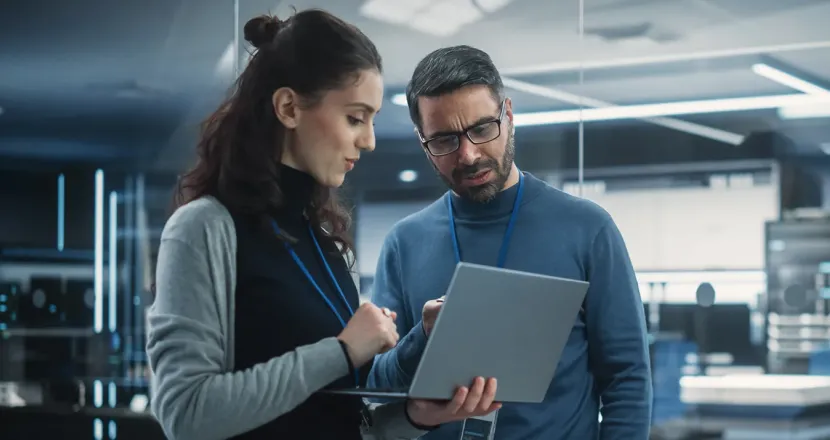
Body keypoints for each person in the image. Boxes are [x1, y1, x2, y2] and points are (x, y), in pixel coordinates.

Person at [146, 13, 500, 440]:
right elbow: (186, 414)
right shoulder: (203, 229)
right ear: (289, 108)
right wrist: (342, 351)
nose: (369, 140)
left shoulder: (324, 242)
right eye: (355, 118)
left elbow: (343, 422)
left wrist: (416, 416)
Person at [367, 45, 653, 439]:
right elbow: (377, 384)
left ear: (509, 115)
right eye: (445, 140)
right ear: (423, 142)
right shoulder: (404, 242)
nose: (468, 155)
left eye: (483, 129)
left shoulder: (588, 229)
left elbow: (627, 378)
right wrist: (424, 339)